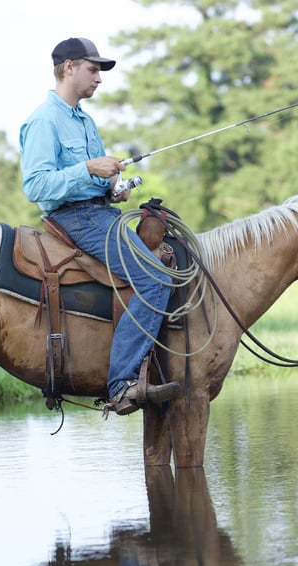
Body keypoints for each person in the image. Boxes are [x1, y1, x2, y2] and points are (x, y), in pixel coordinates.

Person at [19, 37, 179, 415]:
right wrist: (90, 168)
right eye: (94, 69)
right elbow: (36, 186)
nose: (100, 78)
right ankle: (122, 383)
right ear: (69, 67)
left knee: (172, 252)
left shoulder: (85, 121)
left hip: (100, 211)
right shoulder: (43, 120)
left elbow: (94, 181)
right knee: (154, 278)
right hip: (74, 218)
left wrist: (111, 186)